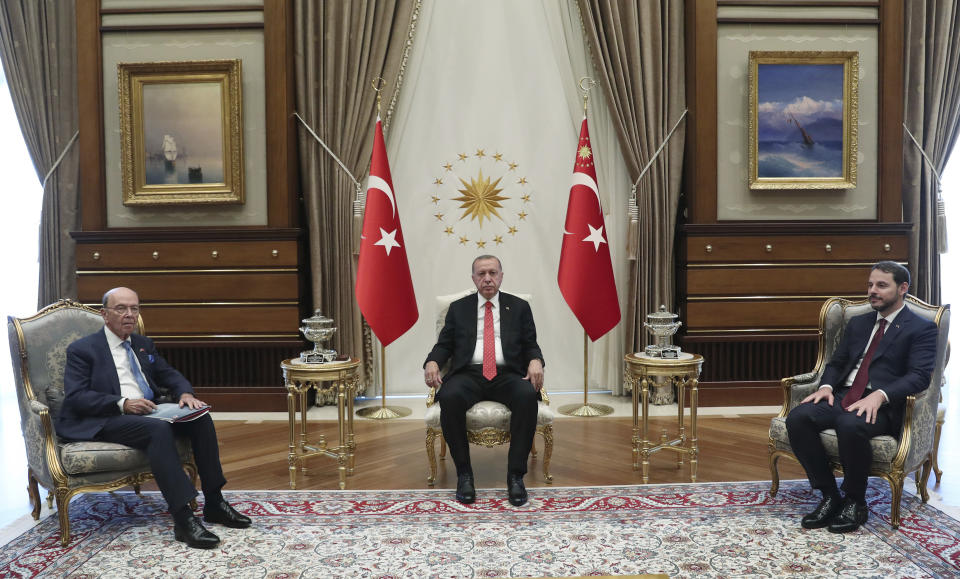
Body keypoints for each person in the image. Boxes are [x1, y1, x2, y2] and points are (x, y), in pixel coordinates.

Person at [56, 287, 251, 549]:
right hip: (105, 417)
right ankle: (183, 519)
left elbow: (169, 374)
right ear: (104, 314)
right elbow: (77, 397)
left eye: (134, 308)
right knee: (157, 430)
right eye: (121, 308)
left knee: (200, 417)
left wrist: (185, 394)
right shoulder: (83, 350)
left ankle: (215, 502)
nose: (129, 314)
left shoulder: (142, 344)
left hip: (149, 410)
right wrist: (123, 403)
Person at [785, 261, 938, 533]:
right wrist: (827, 387)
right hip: (844, 395)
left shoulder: (921, 328)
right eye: (870, 285)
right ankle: (830, 496)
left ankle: (855, 502)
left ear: (902, 288)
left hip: (882, 404)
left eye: (881, 285)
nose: (872, 291)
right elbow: (836, 362)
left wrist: (880, 395)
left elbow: (919, 376)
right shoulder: (859, 323)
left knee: (850, 424)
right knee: (798, 417)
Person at [424, 255, 545, 506]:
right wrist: (432, 362)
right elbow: (444, 344)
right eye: (481, 274)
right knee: (449, 396)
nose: (487, 278)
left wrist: (536, 361)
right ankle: (465, 475)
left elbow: (530, 344)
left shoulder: (519, 306)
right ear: (473, 278)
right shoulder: (458, 308)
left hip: (507, 373)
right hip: (469, 373)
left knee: (526, 396)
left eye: (492, 273)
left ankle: (515, 476)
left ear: (501, 276)